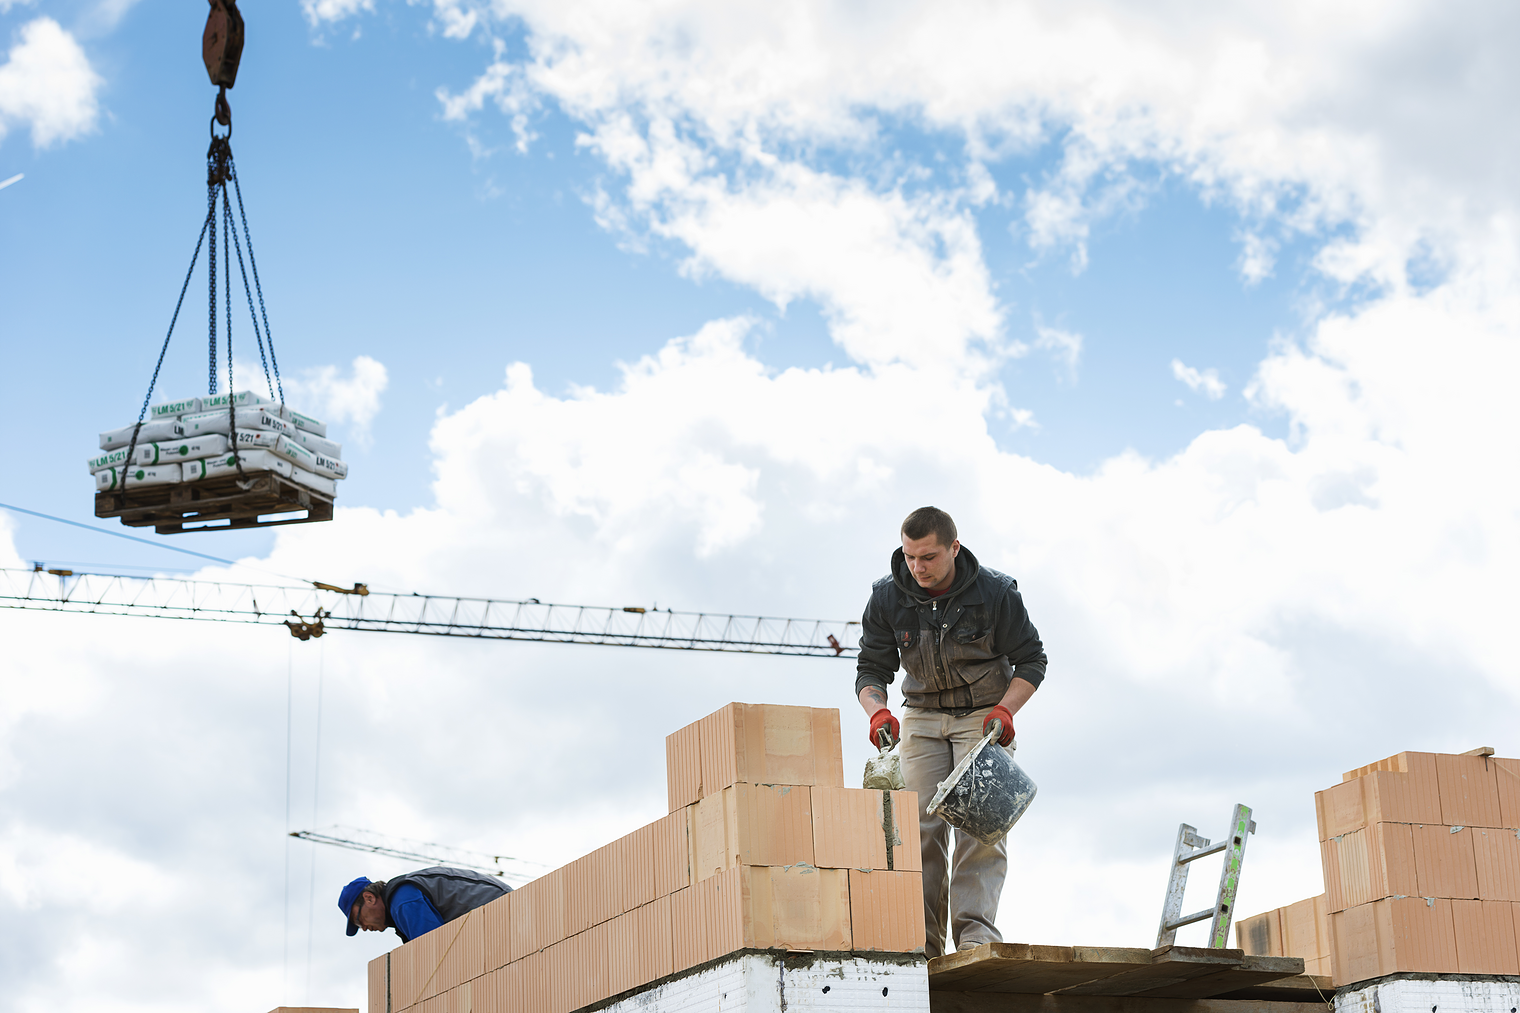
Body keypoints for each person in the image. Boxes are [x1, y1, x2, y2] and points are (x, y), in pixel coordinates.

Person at [855, 506, 1047, 957]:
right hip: (921, 715)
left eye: (929, 557)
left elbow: (1032, 660)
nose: (917, 568)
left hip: (983, 718)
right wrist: (877, 712)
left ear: (954, 549)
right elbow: (870, 668)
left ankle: (975, 938)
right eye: (909, 557)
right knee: (917, 830)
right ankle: (921, 946)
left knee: (981, 828)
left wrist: (1006, 709)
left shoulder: (996, 593)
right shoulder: (887, 597)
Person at [338, 865, 512, 943]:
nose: (365, 928)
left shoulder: (402, 901)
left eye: (359, 920)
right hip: (493, 911)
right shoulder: (400, 904)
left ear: (369, 898)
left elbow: (433, 948)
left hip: (501, 907)